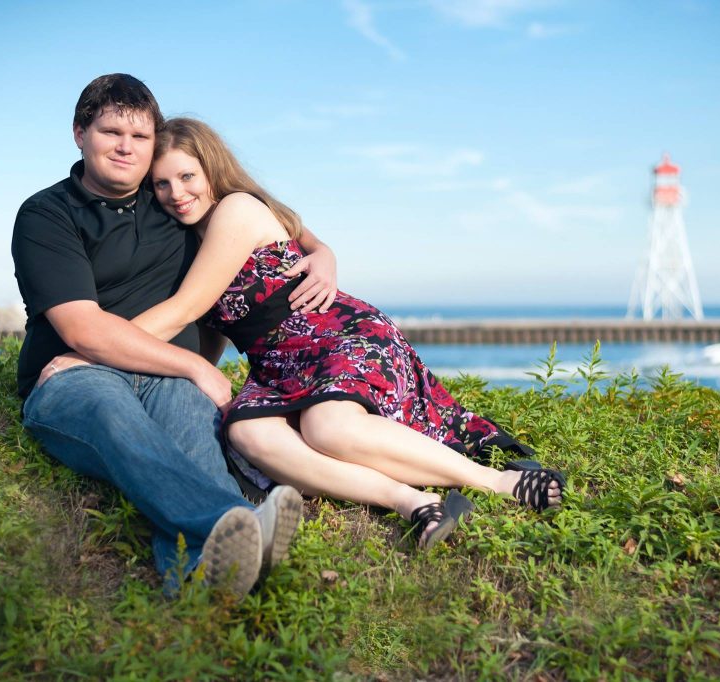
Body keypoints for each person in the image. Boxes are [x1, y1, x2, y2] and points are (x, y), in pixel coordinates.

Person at [123, 117, 568, 548]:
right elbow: (215, 326)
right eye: (162, 184)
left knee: (326, 426)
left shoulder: (236, 209)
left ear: (211, 168)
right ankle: (413, 501)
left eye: (186, 176)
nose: (176, 193)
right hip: (282, 367)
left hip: (337, 337)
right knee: (248, 434)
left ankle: (500, 482)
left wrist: (89, 349)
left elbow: (185, 309)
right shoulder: (190, 242)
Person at [11, 74, 339, 596]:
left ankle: (193, 579)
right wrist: (194, 364)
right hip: (74, 375)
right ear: (79, 133)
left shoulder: (172, 199)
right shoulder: (47, 215)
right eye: (110, 131)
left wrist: (322, 252)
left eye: (140, 137)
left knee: (194, 437)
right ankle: (237, 524)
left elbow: (262, 212)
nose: (126, 147)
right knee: (115, 420)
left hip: (162, 376)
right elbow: (84, 329)